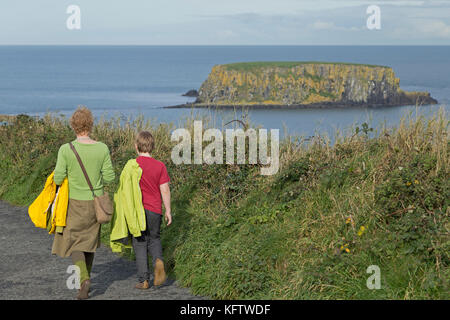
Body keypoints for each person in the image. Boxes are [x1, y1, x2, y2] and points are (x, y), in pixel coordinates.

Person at [52, 106, 115, 300]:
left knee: (73, 242)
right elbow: (110, 177)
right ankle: (83, 283)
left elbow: (58, 177)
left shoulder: (66, 149)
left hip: (74, 203)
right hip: (96, 204)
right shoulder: (102, 148)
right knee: (89, 242)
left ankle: (84, 280)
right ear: (90, 125)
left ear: (73, 126)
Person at [132, 130, 172, 289]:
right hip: (155, 210)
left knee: (140, 241)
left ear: (136, 147)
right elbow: (165, 189)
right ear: (153, 147)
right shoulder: (160, 166)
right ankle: (158, 262)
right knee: (154, 239)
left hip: (138, 210)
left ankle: (144, 280)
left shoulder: (133, 166)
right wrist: (168, 210)